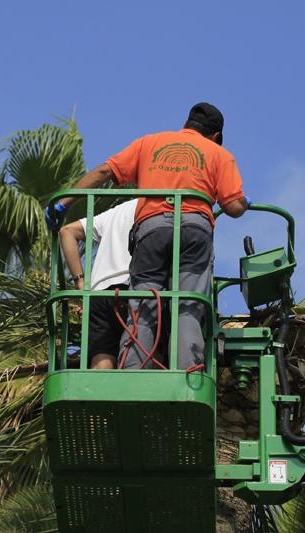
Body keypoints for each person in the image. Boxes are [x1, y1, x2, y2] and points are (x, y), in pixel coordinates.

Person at [46, 102, 249, 370]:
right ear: (216, 136)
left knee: (143, 303)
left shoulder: (149, 143)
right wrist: (244, 201)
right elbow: (233, 207)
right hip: (194, 228)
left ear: (186, 125)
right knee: (188, 304)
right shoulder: (220, 154)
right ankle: (188, 371)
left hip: (151, 228)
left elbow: (105, 172)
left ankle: (133, 369)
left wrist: (63, 203)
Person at [58, 199, 138, 369]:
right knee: (141, 357)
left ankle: (97, 395)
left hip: (100, 293)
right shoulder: (162, 207)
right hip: (137, 290)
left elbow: (67, 231)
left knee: (102, 361)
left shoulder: (118, 211)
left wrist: (81, 282)